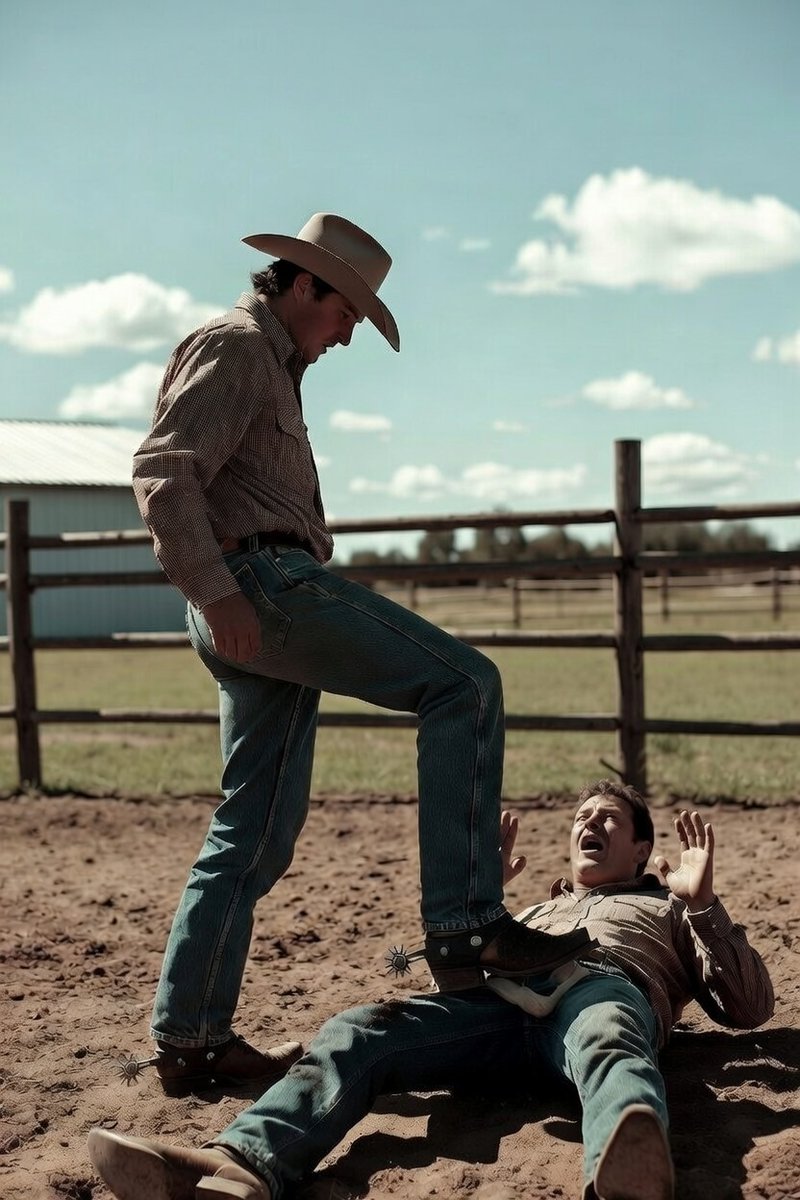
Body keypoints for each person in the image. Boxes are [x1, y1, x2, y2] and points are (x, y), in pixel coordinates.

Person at [130, 212, 591, 1095]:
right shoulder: (235, 346)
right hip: (260, 586)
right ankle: (463, 928)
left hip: (255, 595)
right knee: (468, 684)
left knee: (254, 831)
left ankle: (190, 1039)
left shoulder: (275, 363)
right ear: (305, 285)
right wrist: (219, 593)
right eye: (348, 313)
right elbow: (163, 469)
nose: (347, 334)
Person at [88, 779, 774, 1200]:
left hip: (597, 992)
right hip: (501, 1008)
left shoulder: (667, 909)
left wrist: (704, 903)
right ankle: (239, 1165)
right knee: (362, 1029)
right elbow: (458, 985)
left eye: (607, 820)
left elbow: (748, 1008)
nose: (588, 825)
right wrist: (482, 910)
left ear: (640, 853)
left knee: (609, 1043)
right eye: (580, 819)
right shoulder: (534, 913)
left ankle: (628, 1171)